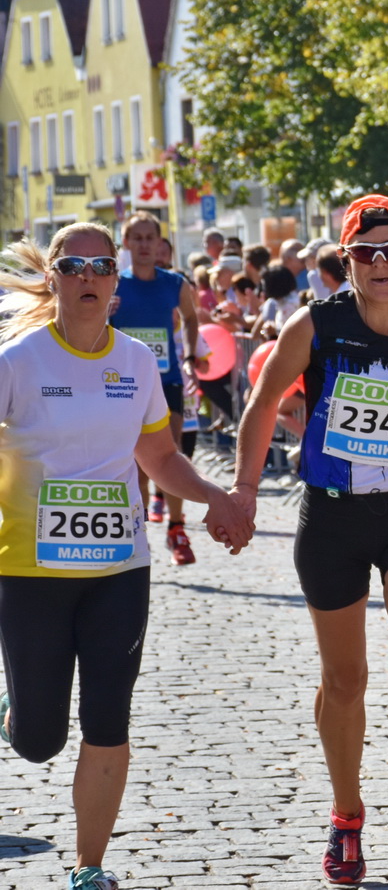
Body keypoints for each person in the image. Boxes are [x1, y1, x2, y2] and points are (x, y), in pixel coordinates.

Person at [231, 195, 388, 890]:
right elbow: (262, 400)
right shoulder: (317, 325)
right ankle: (346, 811)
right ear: (346, 261)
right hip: (332, 515)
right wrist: (244, 491)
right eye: (364, 254)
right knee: (345, 681)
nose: (379, 264)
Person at [0, 222, 249, 890]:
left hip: (118, 566)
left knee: (108, 714)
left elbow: (161, 457)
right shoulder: (18, 362)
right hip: (30, 571)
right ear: (52, 277)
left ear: (115, 282)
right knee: (38, 740)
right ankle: (18, 712)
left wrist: (215, 499)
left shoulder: (137, 363)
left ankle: (89, 866)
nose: (88, 276)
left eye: (99, 266)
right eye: (73, 266)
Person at [111, 213, 206, 565]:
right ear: (127, 244)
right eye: (137, 238)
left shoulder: (173, 283)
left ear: (159, 243)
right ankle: (138, 530)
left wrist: (192, 352)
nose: (145, 244)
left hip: (166, 380)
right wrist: (106, 312)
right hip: (122, 383)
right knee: (135, 461)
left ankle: (176, 528)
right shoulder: (114, 284)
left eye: (150, 237)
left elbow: (192, 316)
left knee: (172, 452)